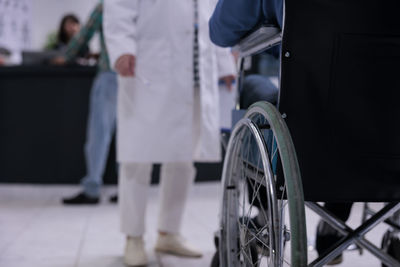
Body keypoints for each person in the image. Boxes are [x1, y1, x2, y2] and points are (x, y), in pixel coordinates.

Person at [209, 1, 352, 264]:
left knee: (252, 87)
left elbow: (220, 31)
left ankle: (265, 213)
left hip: (310, 131)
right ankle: (336, 221)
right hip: (382, 138)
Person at [103, 0, 236, 266]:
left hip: (195, 77)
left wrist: (224, 64)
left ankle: (168, 232)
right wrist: (121, 48)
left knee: (182, 159)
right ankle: (134, 236)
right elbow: (118, 8)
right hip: (147, 68)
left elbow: (212, 15)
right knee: (136, 157)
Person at [59, 1, 118, 205]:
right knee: (129, 137)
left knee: (99, 135)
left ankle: (92, 188)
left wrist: (65, 56)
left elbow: (83, 35)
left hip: (110, 75)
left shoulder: (107, 5)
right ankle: (128, 190)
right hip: (136, 78)